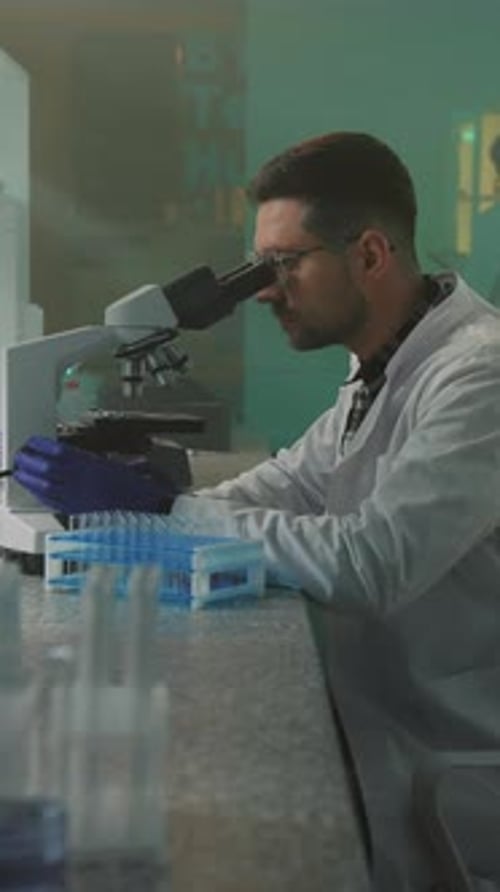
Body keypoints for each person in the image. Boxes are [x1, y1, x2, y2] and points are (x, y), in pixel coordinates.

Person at [14, 133, 500, 891]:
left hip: (452, 781)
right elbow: (285, 486)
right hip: (385, 748)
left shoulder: (479, 374)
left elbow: (371, 563)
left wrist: (161, 510)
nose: (265, 290)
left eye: (282, 264)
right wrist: (148, 501)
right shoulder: (385, 365)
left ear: (369, 255)